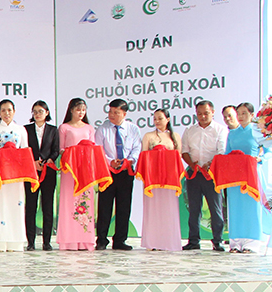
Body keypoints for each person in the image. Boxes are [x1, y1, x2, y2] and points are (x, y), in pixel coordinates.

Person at [93, 99, 140, 250]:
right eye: (110, 112)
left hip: (126, 172)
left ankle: (120, 240)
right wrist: (110, 161)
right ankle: (101, 239)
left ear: (124, 114)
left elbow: (137, 148)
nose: (112, 115)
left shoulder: (133, 129)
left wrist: (129, 160)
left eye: (116, 112)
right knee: (104, 206)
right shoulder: (102, 129)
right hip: (108, 173)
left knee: (124, 207)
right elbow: (98, 150)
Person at [181, 100, 228, 251]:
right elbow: (184, 151)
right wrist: (193, 165)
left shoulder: (220, 130)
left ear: (212, 112)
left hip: (212, 174)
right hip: (193, 173)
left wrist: (210, 164)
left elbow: (221, 151)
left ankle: (218, 241)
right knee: (194, 209)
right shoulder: (190, 130)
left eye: (206, 113)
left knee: (216, 208)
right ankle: (193, 241)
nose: (203, 116)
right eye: (199, 114)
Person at [0, 100, 29, 252]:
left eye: (9, 110)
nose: (6, 113)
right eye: (3, 110)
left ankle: (15, 243)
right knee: (0, 204)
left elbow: (25, 151)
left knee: (16, 204)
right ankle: (0, 243)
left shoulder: (21, 129)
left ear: (14, 111)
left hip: (16, 174)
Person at [139, 109, 183, 251]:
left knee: (169, 209)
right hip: (152, 179)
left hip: (169, 179)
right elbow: (143, 157)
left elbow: (178, 157)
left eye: (160, 118)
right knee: (153, 209)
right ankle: (152, 242)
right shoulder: (149, 136)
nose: (157, 121)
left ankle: (169, 242)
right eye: (155, 119)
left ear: (168, 119)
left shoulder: (175, 136)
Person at [57, 98, 97, 251]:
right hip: (70, 170)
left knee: (85, 203)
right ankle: (69, 240)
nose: (81, 112)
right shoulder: (64, 127)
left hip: (85, 171)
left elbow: (92, 149)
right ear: (71, 110)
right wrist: (74, 153)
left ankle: (85, 240)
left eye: (83, 110)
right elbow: (61, 149)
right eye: (78, 109)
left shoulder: (89, 128)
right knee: (69, 202)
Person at [226, 103, 263, 253]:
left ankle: (252, 243)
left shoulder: (258, 132)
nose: (240, 117)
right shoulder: (232, 133)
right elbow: (227, 153)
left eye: (244, 113)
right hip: (235, 176)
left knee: (251, 207)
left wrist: (259, 158)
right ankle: (235, 242)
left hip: (252, 175)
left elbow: (267, 151)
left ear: (252, 115)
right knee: (235, 207)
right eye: (238, 114)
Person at [24, 101, 58, 251]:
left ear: (47, 113)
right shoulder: (26, 129)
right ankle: (30, 242)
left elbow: (56, 150)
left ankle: (47, 242)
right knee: (31, 206)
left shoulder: (53, 130)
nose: (38, 114)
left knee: (47, 207)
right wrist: (33, 162)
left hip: (48, 172)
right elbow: (24, 149)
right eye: (35, 111)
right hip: (31, 172)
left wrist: (48, 160)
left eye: (41, 111)